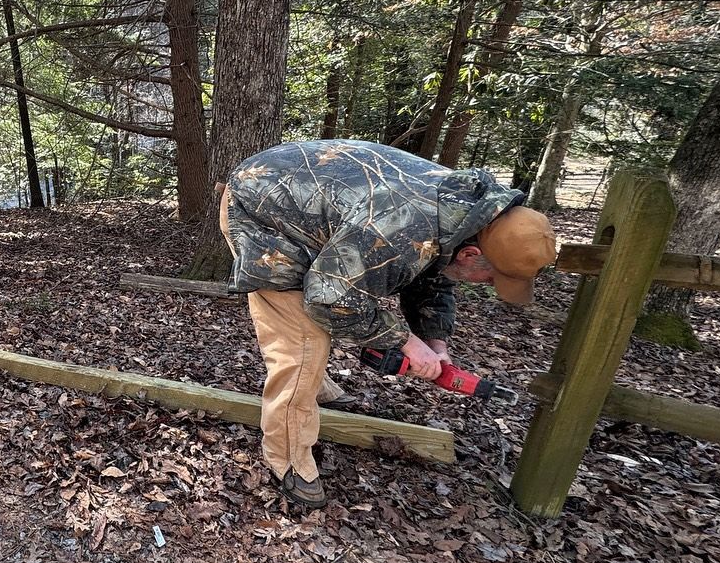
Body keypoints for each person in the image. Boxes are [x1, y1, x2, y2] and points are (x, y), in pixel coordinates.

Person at [218, 139, 558, 509]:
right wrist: (404, 341)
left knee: (327, 307)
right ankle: (287, 458)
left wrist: (435, 341)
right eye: (492, 279)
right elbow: (330, 296)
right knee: (304, 340)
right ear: (473, 254)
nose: (490, 286)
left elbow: (434, 273)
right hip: (261, 207)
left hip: (315, 206)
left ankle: (318, 386)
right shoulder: (403, 226)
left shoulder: (465, 216)